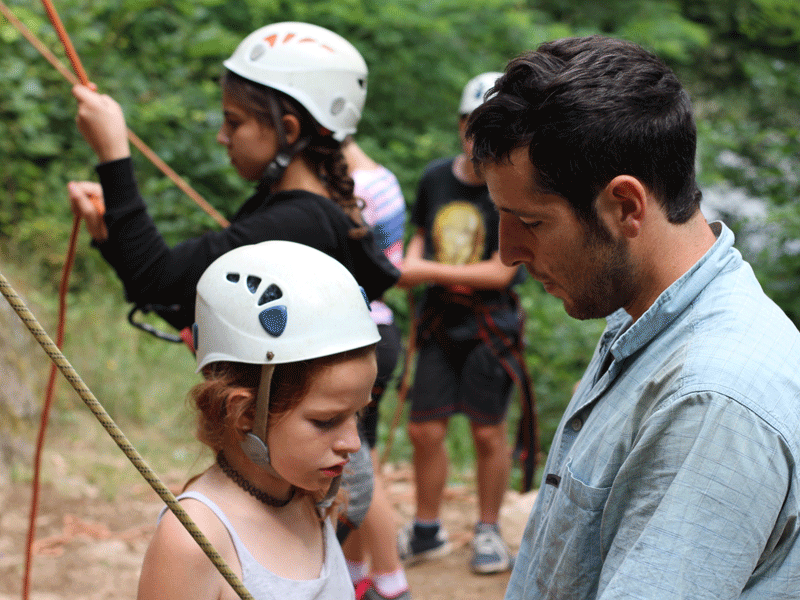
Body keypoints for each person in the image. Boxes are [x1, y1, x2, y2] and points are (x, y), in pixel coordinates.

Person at [466, 35, 800, 599]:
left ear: (625, 206)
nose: (508, 253)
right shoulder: (645, 324)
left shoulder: (709, 400)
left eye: (531, 222)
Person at [67, 21, 399, 536]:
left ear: (288, 130)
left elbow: (160, 281)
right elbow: (190, 298)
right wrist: (114, 237)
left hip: (302, 482)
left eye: (235, 121)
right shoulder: (307, 212)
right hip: (311, 476)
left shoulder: (296, 223)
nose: (223, 137)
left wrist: (114, 152)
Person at [136, 240, 379, 600]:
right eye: (326, 421)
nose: (354, 443)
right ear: (246, 414)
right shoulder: (195, 541)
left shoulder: (309, 494)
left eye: (356, 414)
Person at [397, 72, 531, 575]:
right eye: (473, 125)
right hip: (437, 320)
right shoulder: (435, 178)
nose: (479, 137)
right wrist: (408, 265)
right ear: (460, 126)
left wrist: (421, 271)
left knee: (487, 433)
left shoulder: (512, 188)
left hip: (489, 325)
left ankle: (488, 529)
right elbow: (419, 234)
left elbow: (500, 270)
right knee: (424, 429)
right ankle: (427, 528)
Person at [339, 137, 412, 600]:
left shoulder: (356, 189)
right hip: (378, 331)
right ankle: (357, 572)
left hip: (361, 334)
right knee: (358, 460)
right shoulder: (382, 177)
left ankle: (389, 582)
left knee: (358, 466)